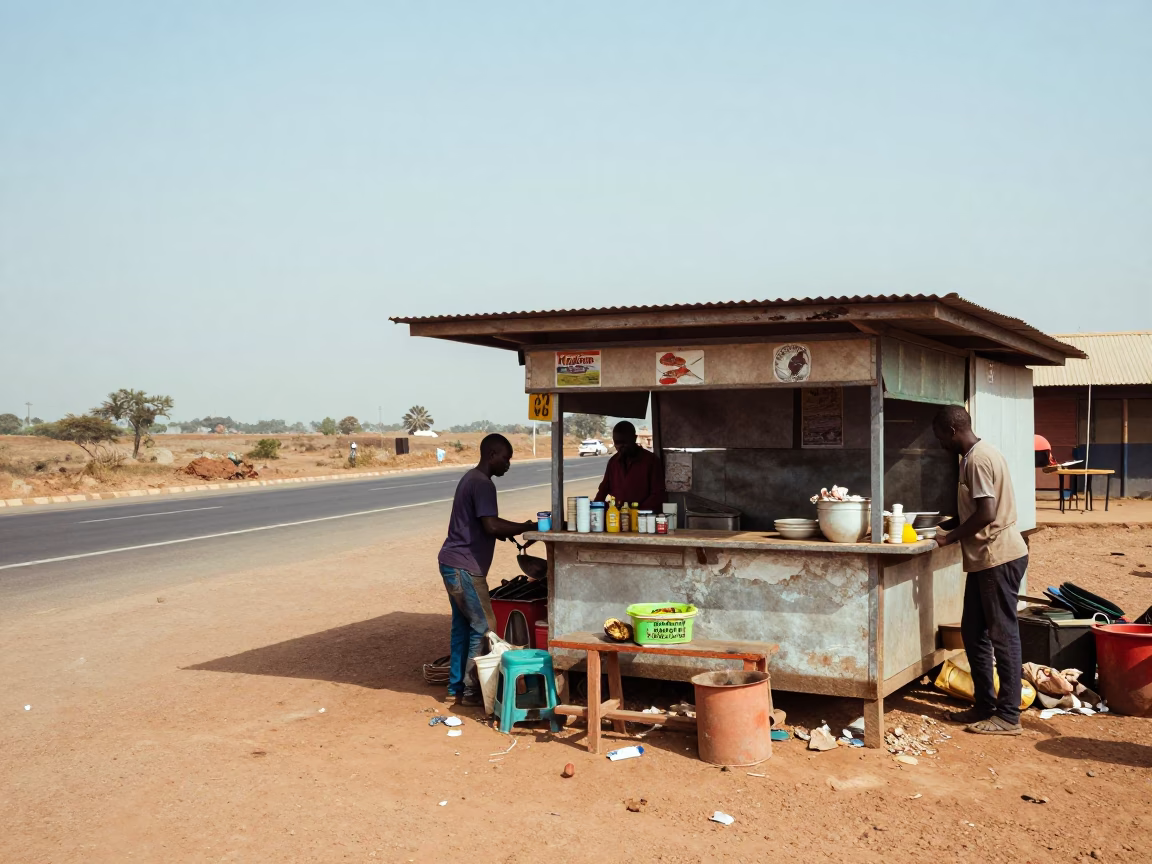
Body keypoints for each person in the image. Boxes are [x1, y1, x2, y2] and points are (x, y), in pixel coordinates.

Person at [932, 405, 1030, 736]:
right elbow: (972, 511)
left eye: (940, 437)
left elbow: (987, 513)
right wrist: (936, 528)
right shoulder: (974, 456)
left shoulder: (977, 460)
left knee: (1003, 634)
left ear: (952, 431)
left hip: (996, 556)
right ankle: (985, 704)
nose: (940, 444)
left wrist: (948, 538)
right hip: (985, 559)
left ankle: (1008, 716)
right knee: (973, 631)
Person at [438, 433, 536, 706]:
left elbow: (483, 525)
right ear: (492, 455)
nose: (508, 464)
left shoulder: (470, 478)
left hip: (451, 563)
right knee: (484, 625)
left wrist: (504, 532)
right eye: (506, 458)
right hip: (465, 567)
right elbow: (491, 525)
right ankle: (472, 690)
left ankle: (455, 687)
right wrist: (526, 527)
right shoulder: (483, 484)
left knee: (462, 627)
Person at [594, 421, 664, 511]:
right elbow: (603, 490)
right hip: (618, 515)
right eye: (617, 443)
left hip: (643, 515)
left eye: (625, 442)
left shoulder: (651, 461)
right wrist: (595, 509)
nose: (621, 446)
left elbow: (657, 494)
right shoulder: (613, 462)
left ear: (634, 438)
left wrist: (637, 512)